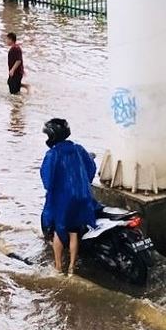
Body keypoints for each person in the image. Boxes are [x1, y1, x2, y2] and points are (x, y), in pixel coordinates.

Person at [39, 118, 98, 276]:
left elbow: (47, 179)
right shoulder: (78, 148)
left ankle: (58, 267)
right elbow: (91, 167)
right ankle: (72, 267)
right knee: (73, 232)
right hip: (82, 196)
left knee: (59, 231)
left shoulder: (53, 154)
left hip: (63, 199)